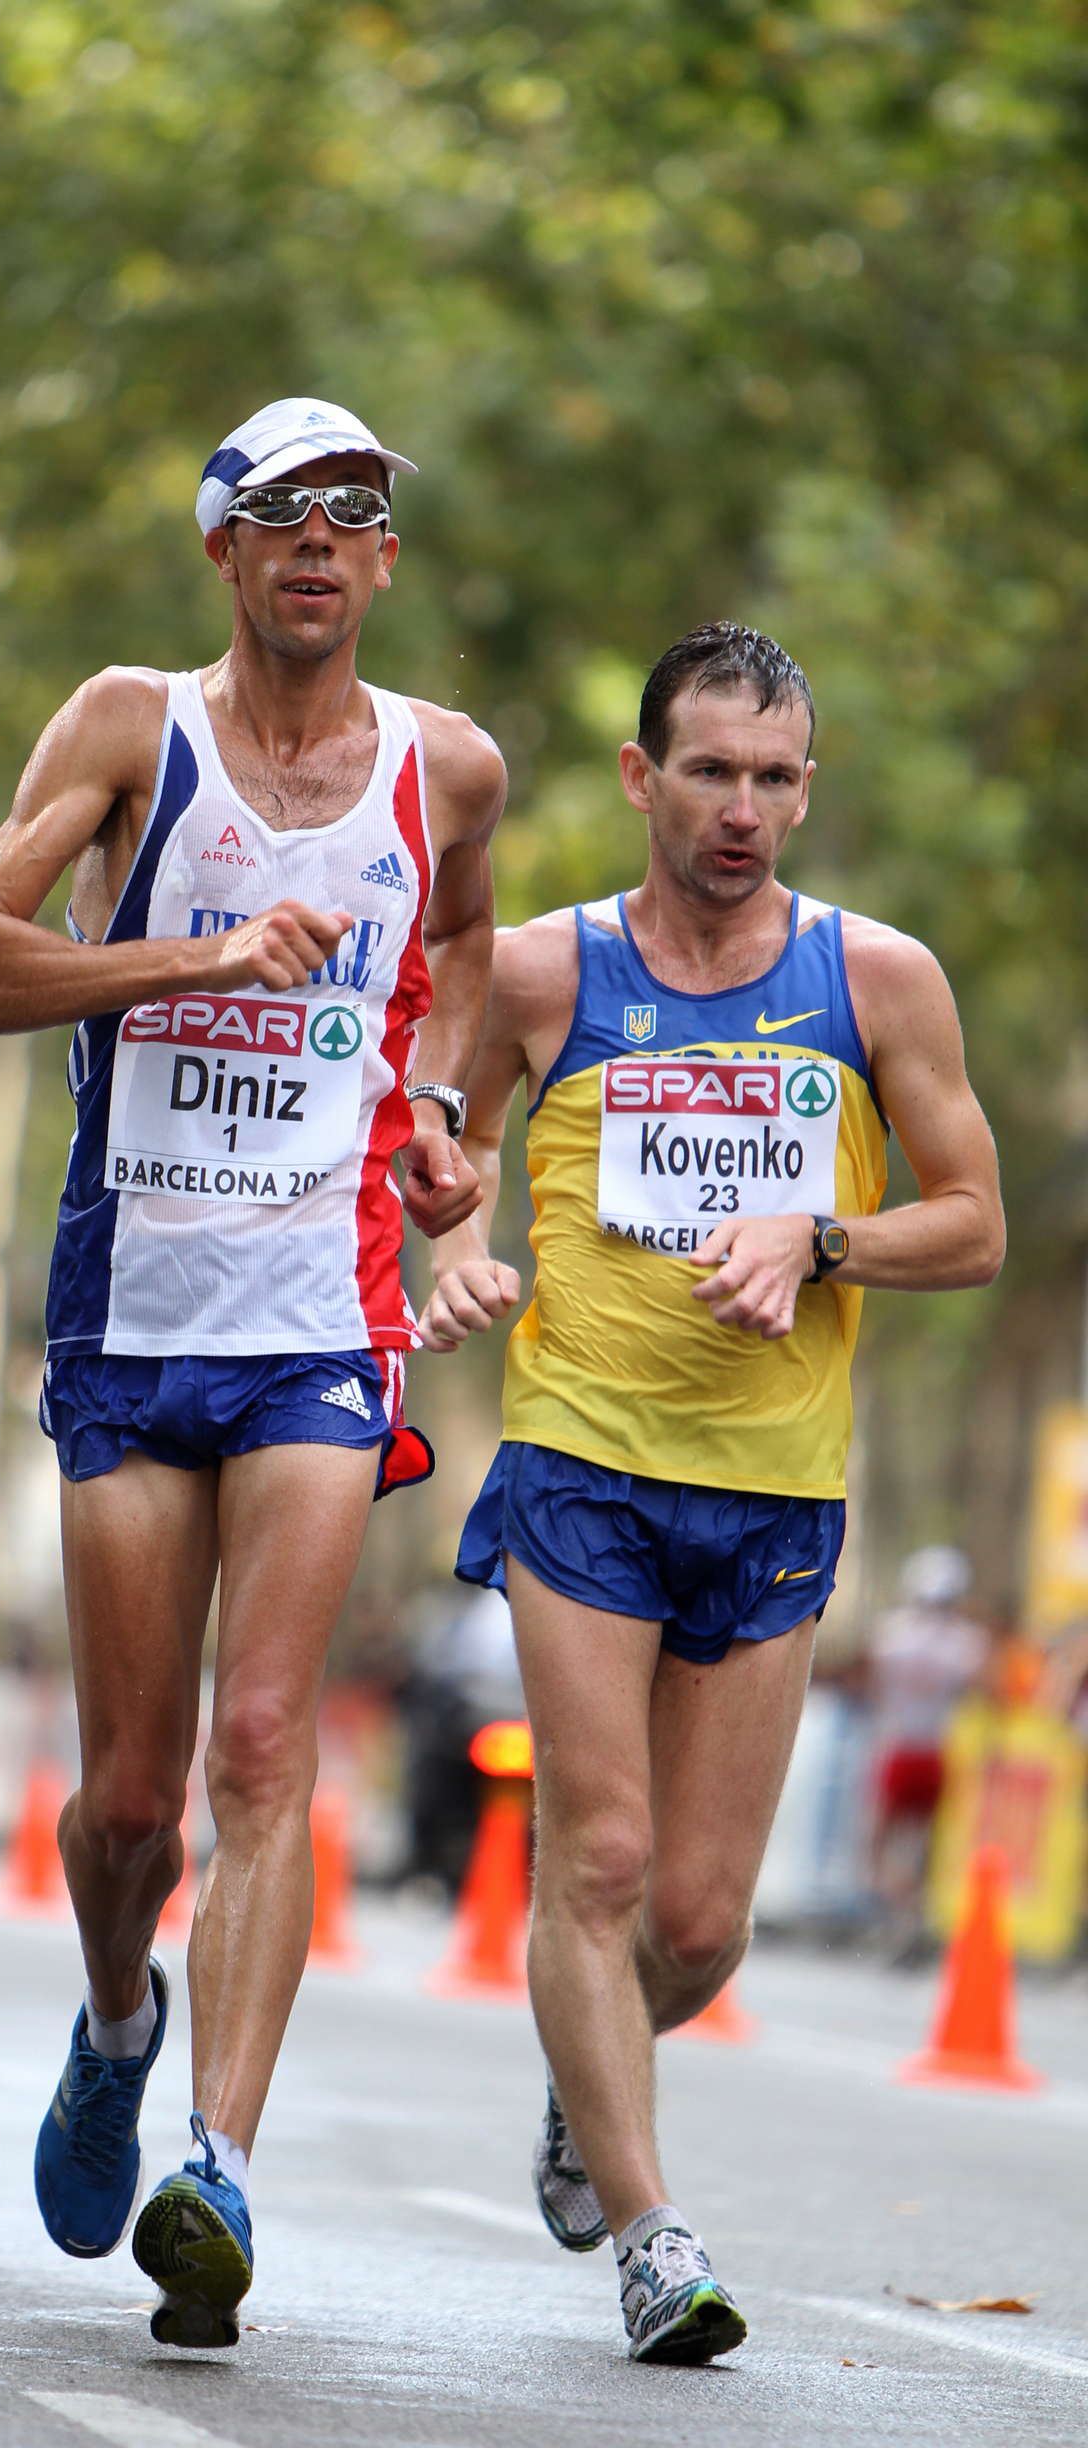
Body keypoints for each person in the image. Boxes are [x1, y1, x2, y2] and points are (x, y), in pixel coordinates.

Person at [0, 397, 505, 2348]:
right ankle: (116, 2022)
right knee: (129, 1808)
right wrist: (191, 958)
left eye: (356, 511)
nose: (321, 538)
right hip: (130, 1318)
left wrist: (444, 1117)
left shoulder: (447, 767)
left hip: (321, 1329)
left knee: (266, 1747)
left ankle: (219, 2166)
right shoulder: (129, 728)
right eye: (284, 512)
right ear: (224, 550)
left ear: (386, 559)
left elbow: (466, 954)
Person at [420, 622, 1003, 2365]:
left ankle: (584, 2069)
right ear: (641, 777)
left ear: (805, 790)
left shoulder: (878, 980)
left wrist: (818, 1237)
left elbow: (971, 1223)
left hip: (773, 1490)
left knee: (692, 1923)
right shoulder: (546, 969)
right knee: (596, 1855)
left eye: (773, 777)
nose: (741, 808)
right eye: (709, 772)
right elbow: (441, 1143)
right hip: (582, 1462)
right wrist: (452, 1249)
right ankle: (651, 2235)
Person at [865, 1545, 987, 1934]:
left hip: (901, 1742)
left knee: (884, 1831)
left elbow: (875, 1687)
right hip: (935, 1746)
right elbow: (978, 1691)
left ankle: (891, 1901)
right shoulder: (966, 1642)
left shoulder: (891, 1635)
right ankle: (912, 1903)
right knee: (927, 1835)